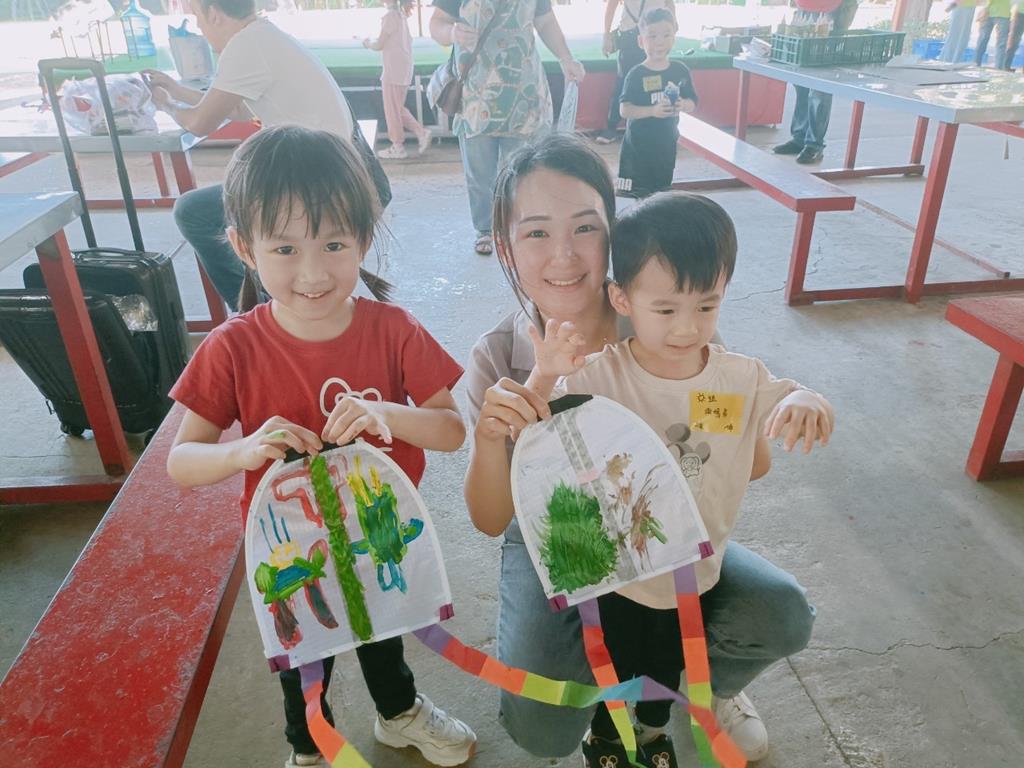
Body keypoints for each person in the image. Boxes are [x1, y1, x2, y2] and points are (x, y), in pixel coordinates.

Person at [463, 133, 816, 765]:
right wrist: (494, 439)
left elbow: (750, 462)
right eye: (537, 232)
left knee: (781, 614)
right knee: (543, 727)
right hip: (559, 531)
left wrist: (761, 420)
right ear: (506, 246)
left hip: (669, 514)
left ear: (615, 234)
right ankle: (617, 699)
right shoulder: (498, 355)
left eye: (585, 227)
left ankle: (696, 687)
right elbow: (491, 519)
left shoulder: (672, 321)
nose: (564, 254)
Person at [165, 126, 476, 768]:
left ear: (364, 237)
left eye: (334, 244)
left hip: (379, 532)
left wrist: (387, 413)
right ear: (244, 248)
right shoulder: (232, 347)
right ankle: (308, 747)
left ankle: (399, 714)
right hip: (288, 548)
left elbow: (451, 429)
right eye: (285, 248)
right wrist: (242, 450)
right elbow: (183, 461)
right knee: (302, 654)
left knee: (383, 633)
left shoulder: (395, 329)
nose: (313, 272)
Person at [146, 0, 362, 311]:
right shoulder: (264, 35)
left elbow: (200, 122)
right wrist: (176, 90)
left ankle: (252, 311)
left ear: (213, 13)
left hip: (311, 179)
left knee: (193, 211)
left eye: (197, 18)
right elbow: (238, 108)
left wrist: (165, 104)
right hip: (335, 166)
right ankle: (263, 304)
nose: (200, 29)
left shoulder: (245, 46)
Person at [429, 0, 585, 255]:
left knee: (523, 173)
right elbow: (437, 23)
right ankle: (485, 229)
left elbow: (545, 20)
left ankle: (522, 227)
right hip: (476, 97)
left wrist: (566, 58)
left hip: (524, 95)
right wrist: (452, 32)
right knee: (480, 175)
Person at [615, 8, 697, 198]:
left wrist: (683, 105)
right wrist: (652, 111)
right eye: (652, 36)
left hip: (666, 145)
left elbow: (692, 102)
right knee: (631, 194)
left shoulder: (680, 71)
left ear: (674, 37)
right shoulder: (636, 74)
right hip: (636, 150)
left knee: (661, 192)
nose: (660, 42)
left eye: (666, 35)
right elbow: (624, 110)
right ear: (640, 41)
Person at [773, 0, 858, 165]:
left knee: (820, 83)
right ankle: (799, 138)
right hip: (807, 6)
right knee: (801, 80)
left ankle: (814, 144)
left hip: (833, 8)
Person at [597, 0, 675, 145]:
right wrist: (606, 35)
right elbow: (612, 5)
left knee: (655, 80)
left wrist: (672, 28)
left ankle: (654, 125)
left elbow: (669, 4)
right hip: (630, 35)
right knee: (624, 81)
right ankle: (612, 126)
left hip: (655, 36)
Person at [363, 0, 432, 159]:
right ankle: (420, 133)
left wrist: (367, 43)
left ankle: (398, 146)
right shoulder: (401, 16)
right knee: (397, 108)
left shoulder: (390, 17)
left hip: (393, 71)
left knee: (392, 110)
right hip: (403, 69)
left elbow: (379, 44)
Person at [974, 0, 1012, 67]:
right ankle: (975, 63)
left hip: (1002, 13)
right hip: (989, 12)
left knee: (1001, 42)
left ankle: (998, 67)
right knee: (982, 39)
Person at [1005, 0, 1023, 69]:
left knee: (1014, 41)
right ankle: (1006, 65)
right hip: (1020, 13)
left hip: (1019, 13)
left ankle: (1006, 65)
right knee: (1013, 41)